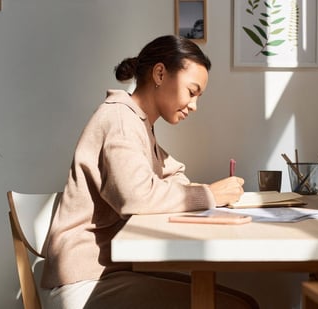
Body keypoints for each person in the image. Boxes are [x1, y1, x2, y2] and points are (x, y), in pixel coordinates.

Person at [42, 35, 259, 309]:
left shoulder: (139, 123)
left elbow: (174, 173)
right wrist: (208, 194)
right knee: (236, 307)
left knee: (242, 302)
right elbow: (136, 197)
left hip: (107, 272)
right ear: (160, 73)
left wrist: (193, 191)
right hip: (82, 282)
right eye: (192, 92)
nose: (194, 106)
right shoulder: (120, 119)